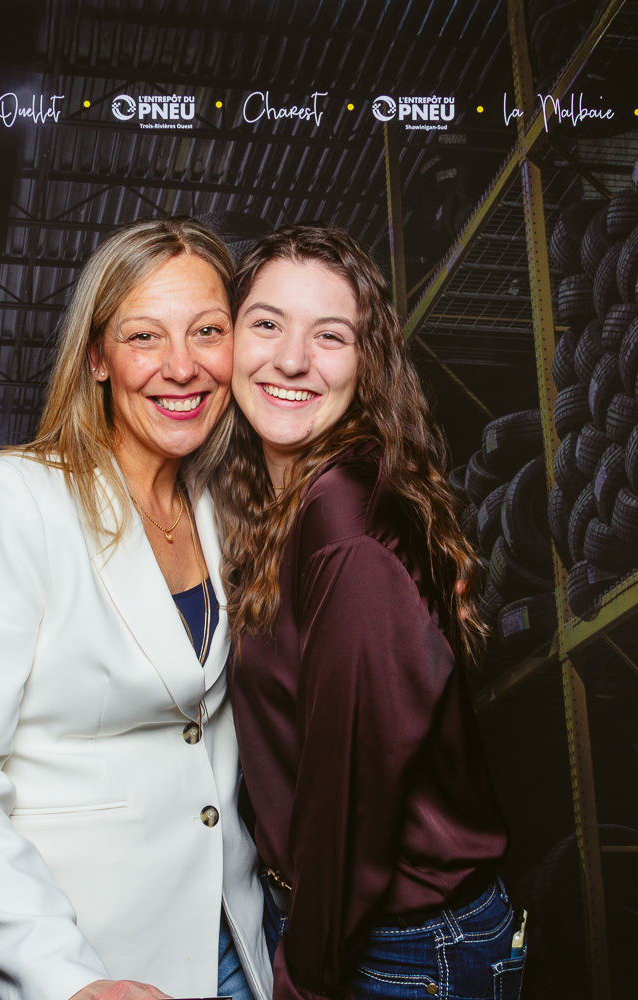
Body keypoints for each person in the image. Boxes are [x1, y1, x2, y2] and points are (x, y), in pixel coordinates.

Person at [0, 217, 271, 1000]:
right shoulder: (7, 501)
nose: (182, 366)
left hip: (229, 945)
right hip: (78, 961)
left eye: (208, 331)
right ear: (97, 356)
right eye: (145, 336)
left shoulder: (224, 508)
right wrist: (67, 980)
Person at [213, 224, 521, 1000]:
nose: (292, 360)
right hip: (340, 923)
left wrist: (305, 982)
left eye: (331, 335)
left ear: (367, 362)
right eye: (268, 324)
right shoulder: (279, 502)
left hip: (401, 952)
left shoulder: (343, 522)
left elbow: (352, 797)